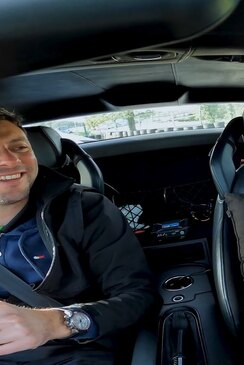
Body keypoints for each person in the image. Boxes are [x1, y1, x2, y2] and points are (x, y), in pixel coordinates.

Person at [0, 108, 159, 364]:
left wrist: (55, 323)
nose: (9, 160)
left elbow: (139, 297)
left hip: (73, 352)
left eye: (19, 147)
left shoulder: (83, 210)